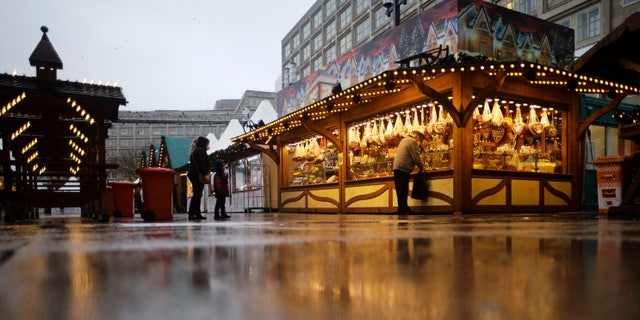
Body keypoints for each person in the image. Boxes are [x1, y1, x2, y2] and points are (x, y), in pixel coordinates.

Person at [393, 131, 426, 215]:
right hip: (403, 168)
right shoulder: (412, 141)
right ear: (417, 137)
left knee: (401, 190)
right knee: (403, 190)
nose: (419, 143)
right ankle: (402, 210)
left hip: (398, 167)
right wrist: (422, 167)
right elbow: (416, 157)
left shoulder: (404, 140)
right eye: (420, 141)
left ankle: (404, 208)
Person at [187, 136, 210, 220]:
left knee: (197, 194)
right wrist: (205, 174)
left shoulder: (196, 151)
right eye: (207, 143)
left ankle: (196, 213)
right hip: (197, 175)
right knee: (197, 194)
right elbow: (201, 164)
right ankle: (193, 213)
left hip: (194, 174)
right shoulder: (201, 152)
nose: (208, 145)